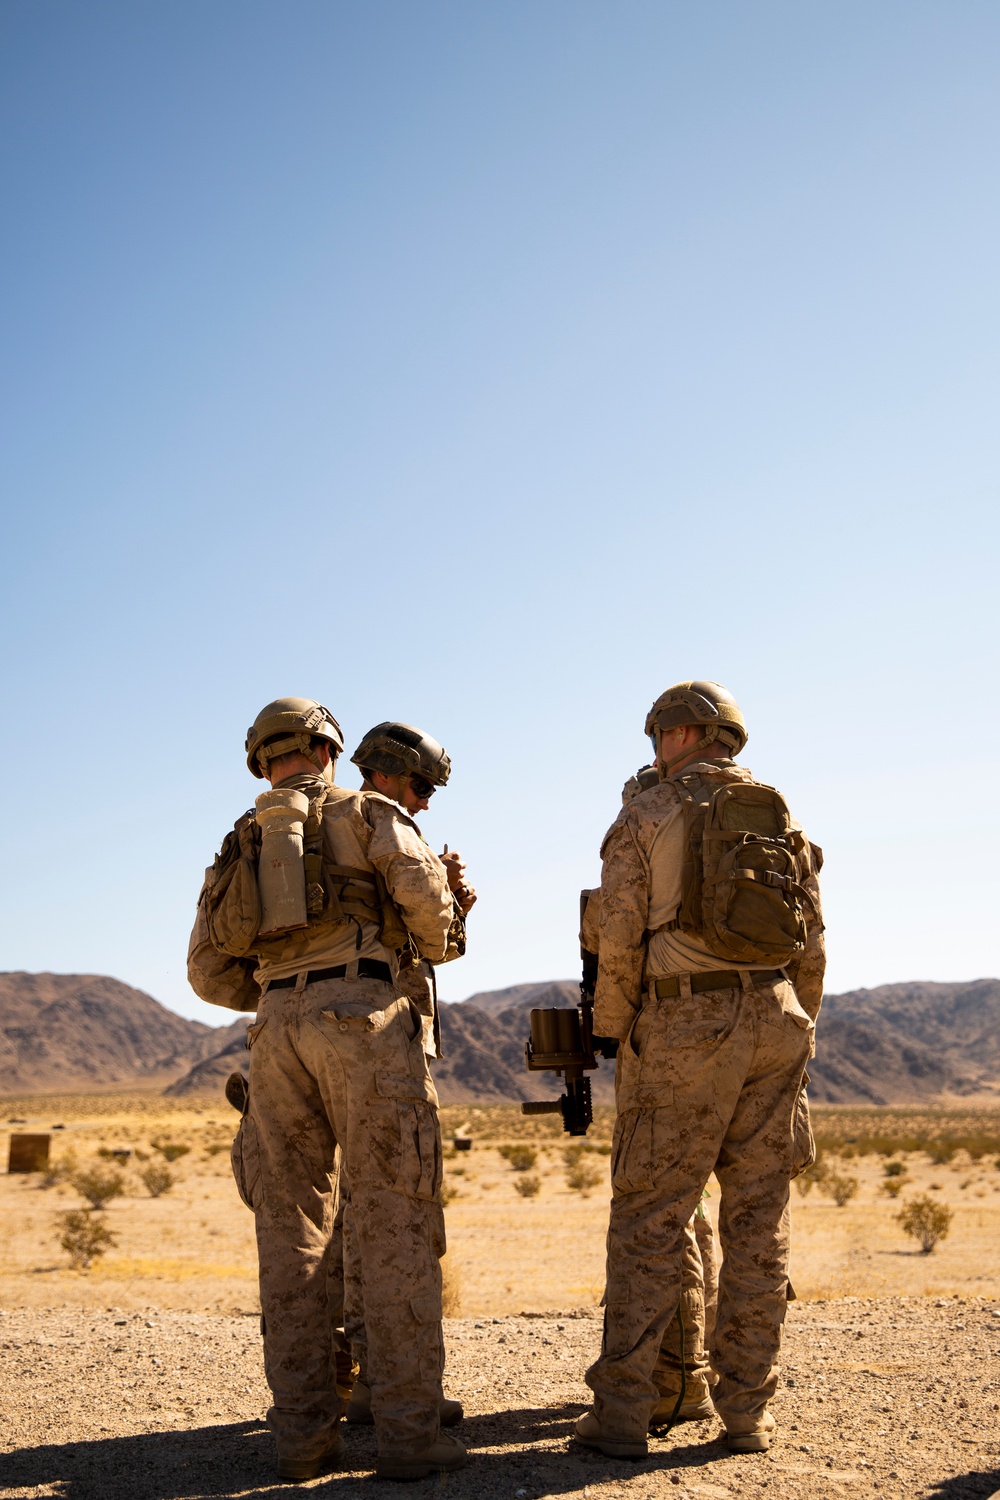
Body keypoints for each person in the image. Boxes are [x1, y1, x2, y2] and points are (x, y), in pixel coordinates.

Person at [187, 698, 467, 1482]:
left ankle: (303, 1439)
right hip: (365, 1023)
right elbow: (434, 922)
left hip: (273, 1031)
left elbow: (207, 972)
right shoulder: (366, 811)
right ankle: (410, 1434)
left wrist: (286, 991)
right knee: (392, 1222)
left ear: (260, 758)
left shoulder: (239, 842)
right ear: (328, 747)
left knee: (290, 1233)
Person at [576, 681, 825, 1458]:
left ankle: (620, 1417)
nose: (653, 748)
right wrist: (797, 1026)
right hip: (778, 1019)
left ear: (682, 732)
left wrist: (617, 1033)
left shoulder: (647, 813)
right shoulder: (784, 815)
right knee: (759, 1222)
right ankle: (748, 1412)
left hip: (685, 1020)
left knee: (649, 1219)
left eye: (657, 735)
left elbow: (617, 940)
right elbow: (811, 947)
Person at [334, 722, 476, 1428]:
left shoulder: (313, 828)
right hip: (379, 1038)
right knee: (401, 1212)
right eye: (420, 786)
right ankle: (400, 1398)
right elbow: (436, 939)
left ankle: (359, 1379)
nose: (423, 803)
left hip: (300, 1037)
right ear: (389, 774)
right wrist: (454, 902)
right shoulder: (383, 821)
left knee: (358, 1214)